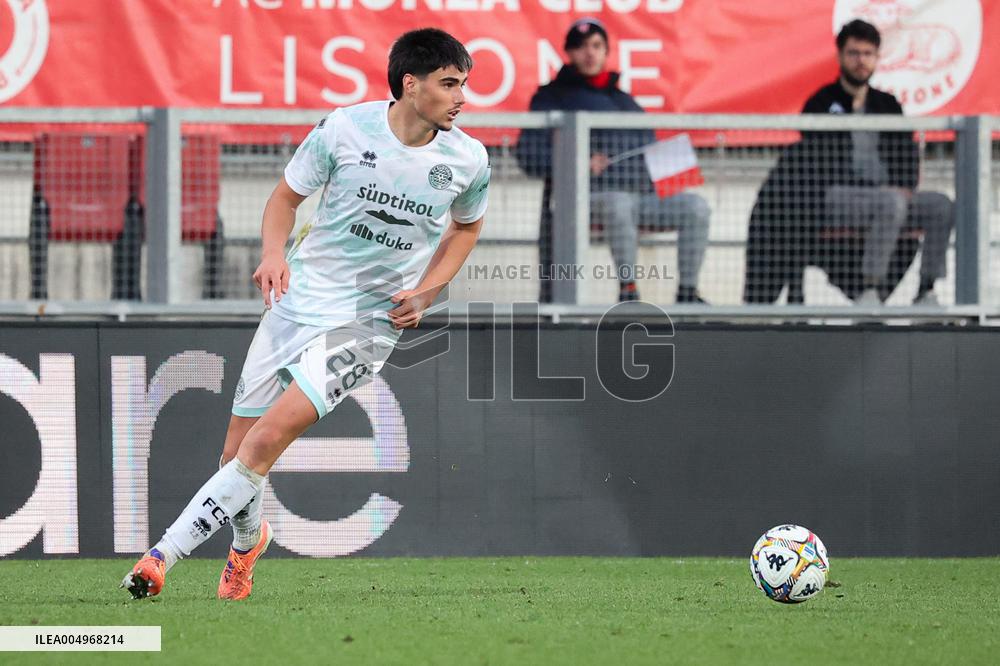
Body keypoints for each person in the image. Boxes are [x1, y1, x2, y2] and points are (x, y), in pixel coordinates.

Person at [121, 28, 490, 600]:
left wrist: (428, 291)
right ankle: (247, 546)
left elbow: (467, 228)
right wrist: (273, 253)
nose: (462, 96)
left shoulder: (467, 158)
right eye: (450, 83)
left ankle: (158, 558)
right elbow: (285, 199)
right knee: (235, 455)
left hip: (370, 323)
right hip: (300, 301)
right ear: (410, 84)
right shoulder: (344, 128)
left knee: (265, 441)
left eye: (464, 84)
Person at [744, 19, 953, 305]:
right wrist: (884, 192)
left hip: (889, 197)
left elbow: (907, 152)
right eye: (854, 53)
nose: (861, 61)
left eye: (867, 54)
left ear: (878, 58)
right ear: (840, 56)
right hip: (836, 197)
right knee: (890, 203)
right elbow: (812, 161)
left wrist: (904, 185)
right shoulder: (820, 102)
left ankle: (926, 290)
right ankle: (869, 290)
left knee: (940, 206)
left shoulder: (888, 105)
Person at [516, 17, 710, 303]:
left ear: (607, 52)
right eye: (581, 47)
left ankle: (687, 293)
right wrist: (579, 163)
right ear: (568, 54)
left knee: (696, 206)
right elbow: (528, 156)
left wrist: (674, 168)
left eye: (597, 46)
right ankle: (628, 292)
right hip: (584, 203)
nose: (590, 53)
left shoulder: (626, 102)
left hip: (641, 200)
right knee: (618, 203)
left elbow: (648, 152)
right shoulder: (551, 98)